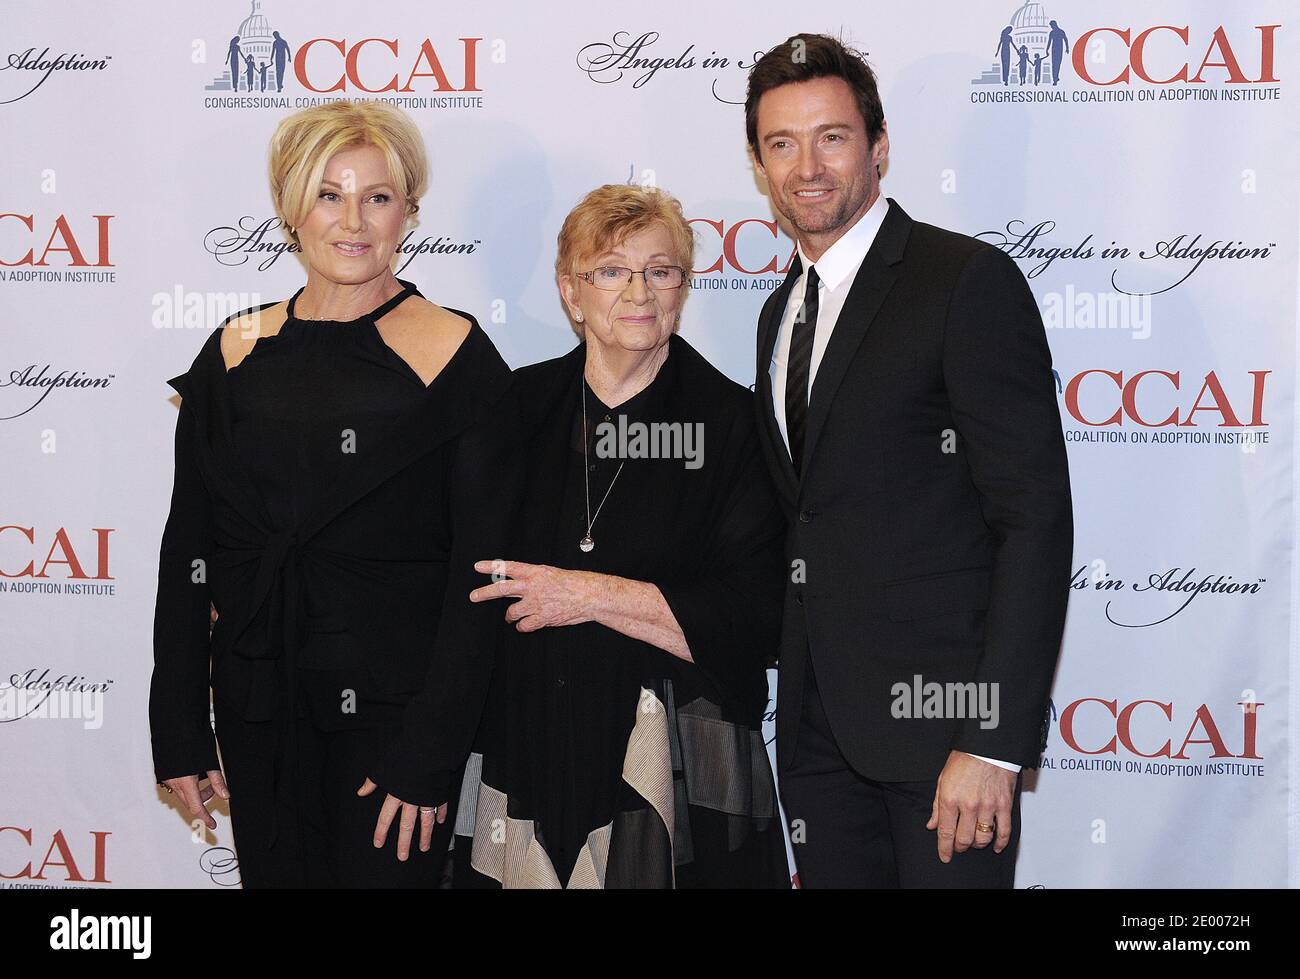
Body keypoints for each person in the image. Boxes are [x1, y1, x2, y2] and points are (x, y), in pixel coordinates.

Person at [149, 100, 517, 887]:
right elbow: (190, 547)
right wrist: (179, 724)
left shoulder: (457, 354)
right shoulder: (234, 349)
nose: (353, 219)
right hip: (259, 703)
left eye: (377, 197)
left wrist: (430, 751)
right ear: (291, 209)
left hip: (395, 720)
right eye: (329, 194)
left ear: (409, 213)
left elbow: (481, 576)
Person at [744, 34, 1073, 887]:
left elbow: (1033, 518)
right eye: (782, 143)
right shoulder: (779, 313)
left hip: (945, 741)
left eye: (832, 137)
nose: (807, 165)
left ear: (879, 148)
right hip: (818, 741)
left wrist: (993, 740)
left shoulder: (964, 281)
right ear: (759, 164)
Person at [451, 184, 790, 888]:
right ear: (572, 293)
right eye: (610, 270)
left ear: (683, 288)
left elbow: (760, 617)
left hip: (678, 769)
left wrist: (587, 594)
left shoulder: (733, 423)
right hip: (529, 745)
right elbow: (465, 586)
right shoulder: (516, 408)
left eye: (660, 270)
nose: (638, 290)